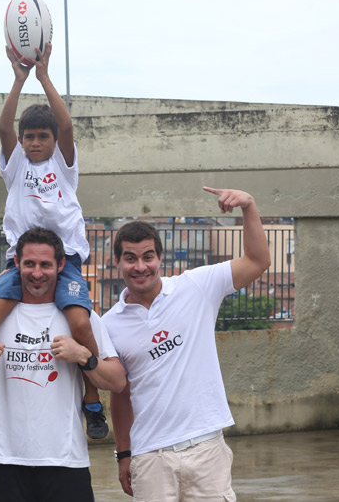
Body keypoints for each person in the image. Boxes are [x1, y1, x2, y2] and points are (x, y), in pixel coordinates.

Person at [0, 42, 108, 441]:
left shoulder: (63, 168)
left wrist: (44, 76)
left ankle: (92, 399)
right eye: (29, 137)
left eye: (42, 137)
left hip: (63, 261)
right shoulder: (15, 167)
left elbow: (67, 127)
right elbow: (3, 128)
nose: (35, 143)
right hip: (22, 261)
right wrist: (18, 80)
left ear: (53, 141)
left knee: (80, 323)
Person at [104, 187, 272, 501]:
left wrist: (249, 205)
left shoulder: (197, 286)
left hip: (207, 449)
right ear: (117, 262)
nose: (140, 266)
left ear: (160, 258)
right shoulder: (108, 324)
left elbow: (258, 260)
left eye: (148, 256)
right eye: (130, 258)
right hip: (150, 457)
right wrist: (123, 454)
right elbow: (120, 394)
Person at [0, 227, 127, 502]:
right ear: (16, 263)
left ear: (61, 265)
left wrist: (84, 357)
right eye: (29, 263)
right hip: (6, 463)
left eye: (45, 265)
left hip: (67, 463)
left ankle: (91, 407)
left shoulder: (82, 318)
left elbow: (118, 381)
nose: (37, 273)